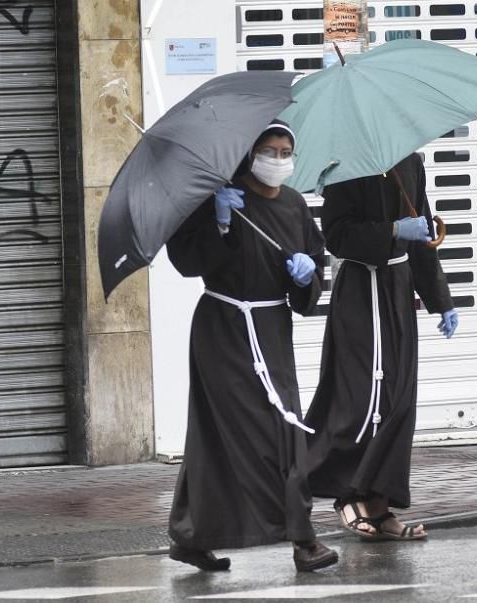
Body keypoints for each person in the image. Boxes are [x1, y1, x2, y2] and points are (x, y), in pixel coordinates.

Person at [165, 122, 338, 572]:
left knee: (270, 427)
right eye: (268, 150)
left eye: (285, 151)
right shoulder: (222, 196)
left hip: (271, 327)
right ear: (250, 153)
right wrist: (218, 224)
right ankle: (303, 539)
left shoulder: (296, 205)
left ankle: (190, 535)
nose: (278, 159)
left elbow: (310, 281)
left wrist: (307, 278)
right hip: (224, 327)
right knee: (254, 430)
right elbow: (188, 262)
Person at [304, 152, 459, 541]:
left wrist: (441, 300)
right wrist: (391, 231)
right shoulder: (344, 167)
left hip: (397, 287)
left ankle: (379, 501)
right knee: (361, 398)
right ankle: (347, 493)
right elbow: (337, 236)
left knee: (398, 398)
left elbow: (422, 233)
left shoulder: (410, 162)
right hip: (362, 292)